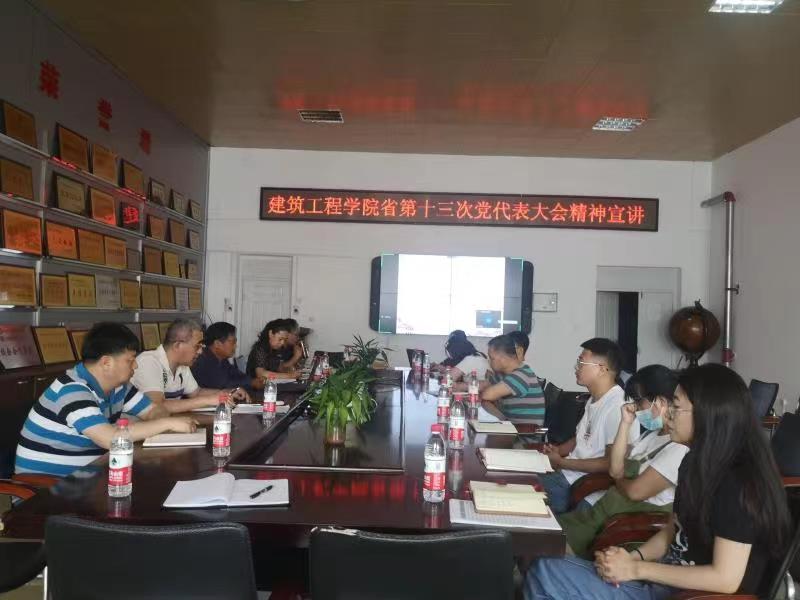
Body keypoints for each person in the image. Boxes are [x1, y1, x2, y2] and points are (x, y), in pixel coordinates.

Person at [526, 363, 792, 599]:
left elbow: (726, 578)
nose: (669, 414)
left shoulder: (737, 484)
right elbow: (672, 529)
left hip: (688, 593)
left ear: (707, 415)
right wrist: (631, 559)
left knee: (546, 574)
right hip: (661, 579)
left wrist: (636, 569)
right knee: (544, 565)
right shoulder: (693, 463)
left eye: (676, 406)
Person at [14, 323, 198, 477]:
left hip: (89, 479)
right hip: (47, 490)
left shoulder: (120, 387)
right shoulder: (72, 390)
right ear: (106, 363)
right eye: (130, 360)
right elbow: (111, 439)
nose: (136, 365)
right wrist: (167, 423)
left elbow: (154, 410)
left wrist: (157, 419)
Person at [558, 365, 688, 558]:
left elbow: (635, 491)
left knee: (546, 548)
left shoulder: (678, 447)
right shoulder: (651, 435)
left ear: (660, 401)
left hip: (625, 521)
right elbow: (615, 467)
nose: (636, 408)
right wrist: (625, 423)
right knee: (544, 537)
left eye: (639, 401)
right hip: (606, 509)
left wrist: (619, 479)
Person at [538, 338, 639, 515]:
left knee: (520, 489)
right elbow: (582, 438)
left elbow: (610, 463)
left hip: (578, 483)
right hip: (567, 474)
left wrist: (562, 462)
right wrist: (558, 450)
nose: (576, 368)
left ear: (602, 369)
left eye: (581, 362)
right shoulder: (595, 398)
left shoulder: (618, 407)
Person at [132, 319, 245, 412]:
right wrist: (208, 400)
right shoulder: (149, 361)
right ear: (177, 345)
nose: (200, 352)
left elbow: (196, 393)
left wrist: (226, 393)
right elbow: (157, 406)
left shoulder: (182, 366)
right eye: (197, 346)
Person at [479, 334, 545, 425]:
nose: (489, 362)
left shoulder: (520, 376)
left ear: (503, 359)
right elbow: (484, 385)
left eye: (491, 358)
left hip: (523, 431)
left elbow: (486, 395)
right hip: (511, 426)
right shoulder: (505, 374)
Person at [191, 322, 261, 393]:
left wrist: (254, 381)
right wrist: (252, 383)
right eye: (233, 342)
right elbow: (223, 385)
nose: (236, 346)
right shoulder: (202, 361)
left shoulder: (222, 359)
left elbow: (236, 374)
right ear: (217, 344)